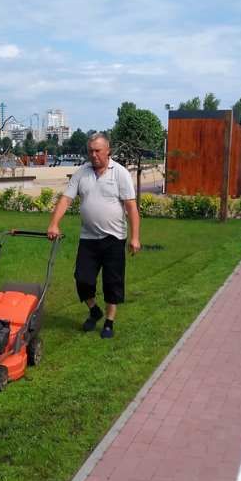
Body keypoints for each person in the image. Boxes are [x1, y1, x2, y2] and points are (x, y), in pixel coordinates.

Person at [47, 133, 141, 338]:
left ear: (108, 151)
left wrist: (135, 238)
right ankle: (94, 310)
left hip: (114, 239)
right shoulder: (82, 173)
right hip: (88, 238)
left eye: (98, 151)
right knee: (82, 279)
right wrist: (54, 223)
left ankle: (109, 321)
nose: (94, 155)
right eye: (90, 151)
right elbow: (65, 199)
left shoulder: (120, 173)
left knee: (112, 282)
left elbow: (131, 208)